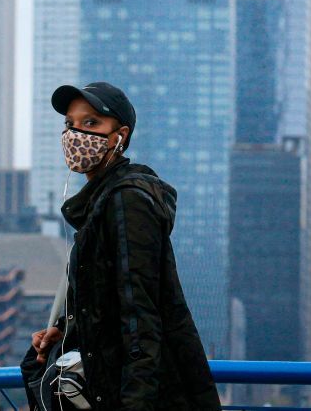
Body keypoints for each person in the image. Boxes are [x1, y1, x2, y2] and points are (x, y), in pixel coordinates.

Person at [26, 82, 221, 410]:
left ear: (120, 135)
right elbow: (107, 299)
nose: (76, 135)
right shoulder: (99, 202)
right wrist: (68, 328)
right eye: (70, 125)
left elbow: (139, 315)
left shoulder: (127, 201)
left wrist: (136, 402)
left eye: (91, 123)